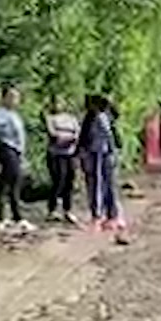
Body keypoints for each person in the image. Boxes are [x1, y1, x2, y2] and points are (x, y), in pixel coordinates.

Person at [0, 86, 30, 230]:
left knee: (14, 181)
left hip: (16, 150)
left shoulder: (15, 115)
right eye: (11, 96)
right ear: (3, 98)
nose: (15, 100)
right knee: (8, 180)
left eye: (16, 97)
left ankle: (13, 216)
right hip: (5, 148)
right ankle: (5, 216)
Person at [79, 94, 122, 232]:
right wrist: (82, 153)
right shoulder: (90, 118)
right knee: (95, 184)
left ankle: (112, 216)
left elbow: (114, 135)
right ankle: (97, 216)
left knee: (110, 184)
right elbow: (83, 137)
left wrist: (116, 150)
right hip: (93, 154)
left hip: (106, 154)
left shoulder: (108, 117)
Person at [44, 96, 81, 222]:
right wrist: (67, 137)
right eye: (55, 103)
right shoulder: (50, 118)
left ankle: (67, 210)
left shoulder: (72, 119)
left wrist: (65, 137)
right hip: (55, 154)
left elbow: (77, 134)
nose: (58, 105)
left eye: (60, 102)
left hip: (70, 153)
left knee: (69, 181)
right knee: (58, 180)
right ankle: (52, 210)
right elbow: (53, 135)